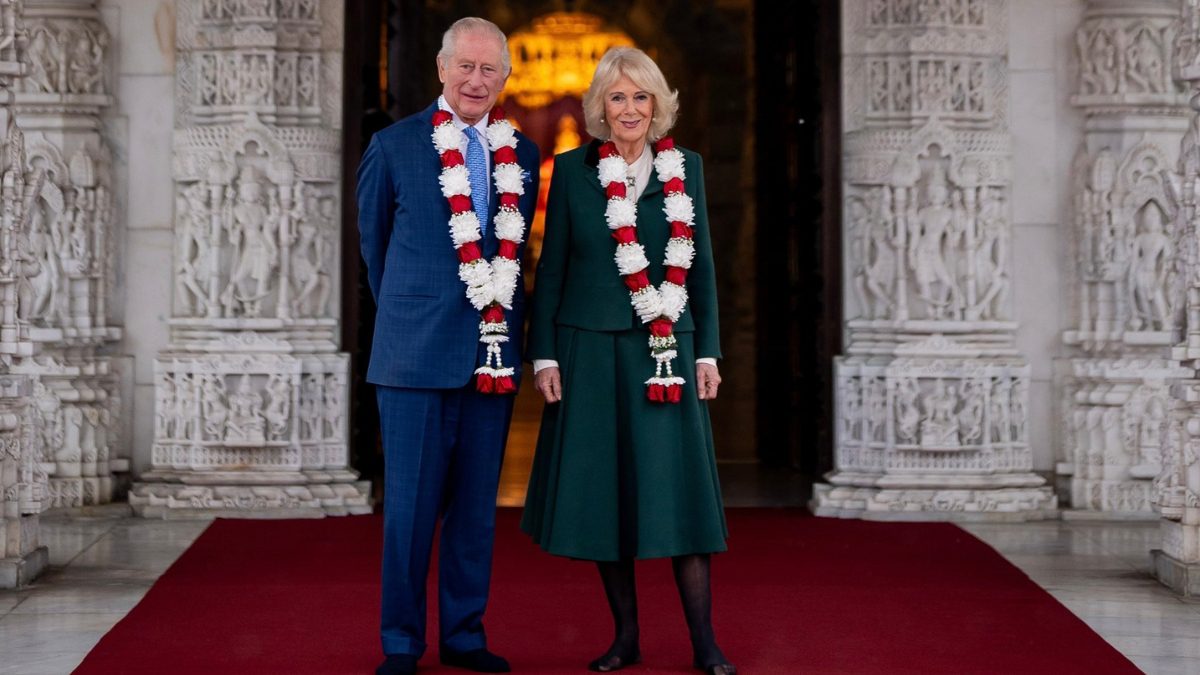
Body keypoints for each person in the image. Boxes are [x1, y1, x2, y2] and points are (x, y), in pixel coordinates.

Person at [521, 47, 736, 675]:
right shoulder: (571, 171)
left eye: (640, 96)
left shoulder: (686, 168)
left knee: (681, 495)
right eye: (617, 97)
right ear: (600, 108)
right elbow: (551, 266)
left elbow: (701, 268)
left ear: (658, 104)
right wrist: (543, 355)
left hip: (667, 348)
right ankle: (626, 639)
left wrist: (710, 350)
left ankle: (706, 644)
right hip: (588, 348)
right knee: (604, 496)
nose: (630, 108)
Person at [355, 17, 539, 675]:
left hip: (491, 355)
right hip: (413, 360)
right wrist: (414, 318)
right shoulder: (394, 146)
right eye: (466, 65)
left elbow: (520, 257)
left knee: (475, 514)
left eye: (490, 69)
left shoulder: (521, 151)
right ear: (440, 69)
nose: (477, 79)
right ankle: (401, 641)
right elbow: (375, 253)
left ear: (506, 77)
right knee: (408, 511)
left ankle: (464, 634)